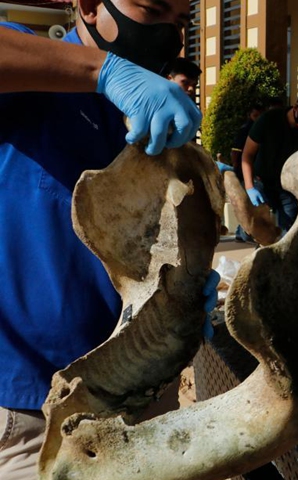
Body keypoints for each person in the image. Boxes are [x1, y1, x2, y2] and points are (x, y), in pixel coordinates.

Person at [0, 0, 209, 476]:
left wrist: (181, 294)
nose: (168, 34)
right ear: (92, 7)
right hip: (34, 414)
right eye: (152, 10)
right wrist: (105, 70)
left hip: (140, 395)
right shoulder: (33, 74)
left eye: (180, 21)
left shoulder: (145, 117)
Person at [241, 87, 298, 232]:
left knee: (289, 230)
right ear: (296, 107)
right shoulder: (268, 120)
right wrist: (250, 187)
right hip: (261, 181)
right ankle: (242, 232)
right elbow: (247, 155)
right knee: (256, 230)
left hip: (288, 187)